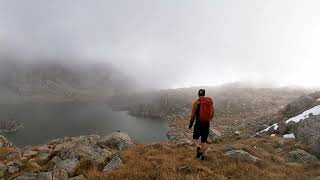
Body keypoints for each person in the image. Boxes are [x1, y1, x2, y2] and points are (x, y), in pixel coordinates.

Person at [189, 89, 214, 160]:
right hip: (206, 124)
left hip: (198, 124)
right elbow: (212, 113)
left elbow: (193, 115)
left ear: (198, 94)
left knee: (195, 138)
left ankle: (198, 148)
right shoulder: (209, 102)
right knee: (203, 142)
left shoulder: (196, 103)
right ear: (204, 94)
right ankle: (202, 157)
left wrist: (190, 124)